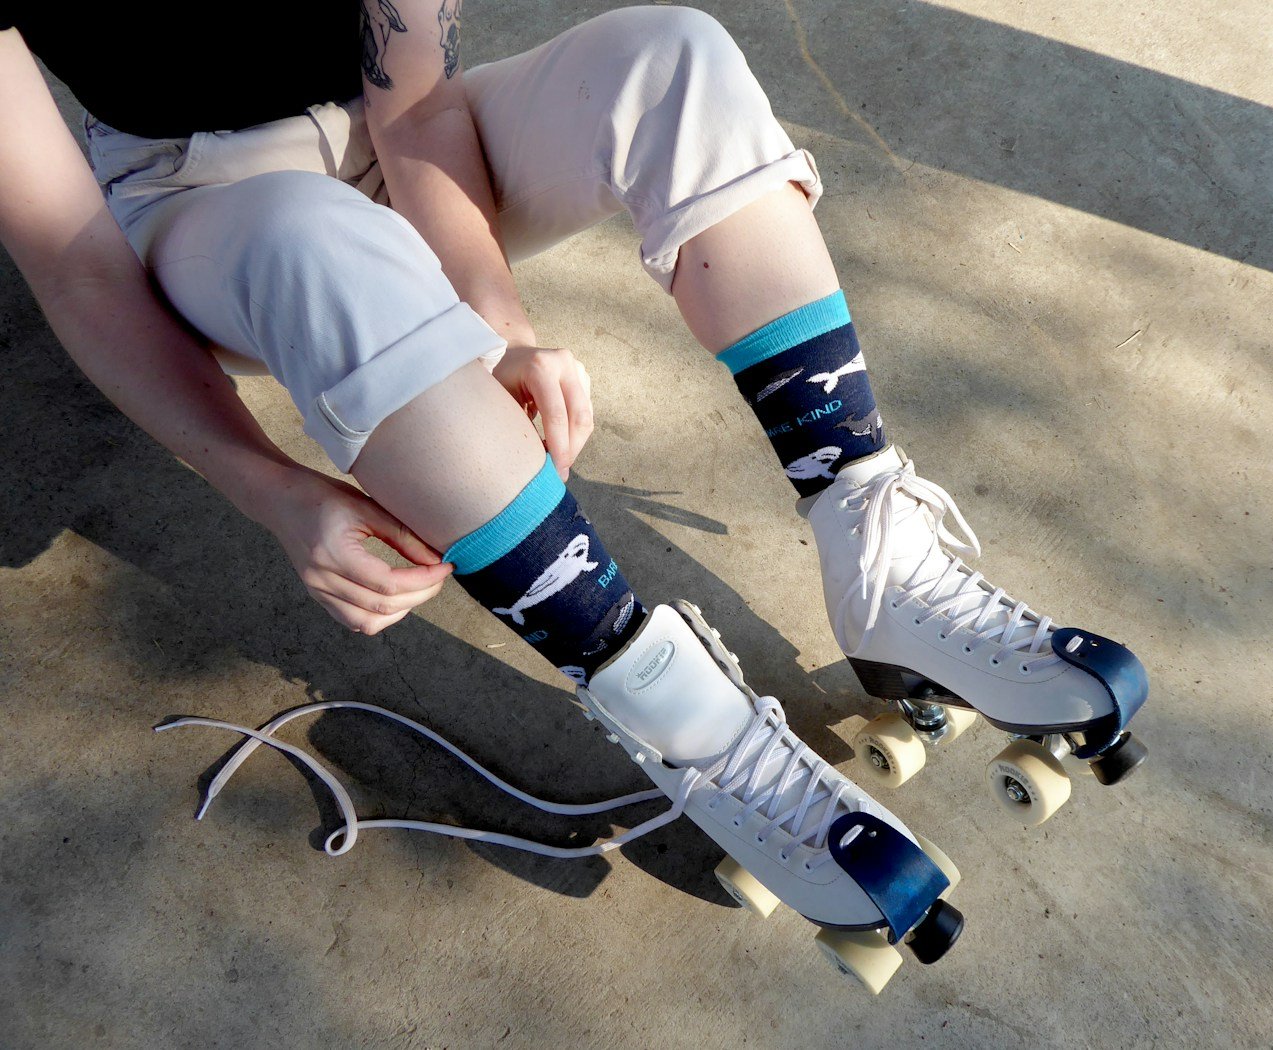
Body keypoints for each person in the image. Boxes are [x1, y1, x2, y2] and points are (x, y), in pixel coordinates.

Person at [0, 3, 1145, 983]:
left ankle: (876, 553)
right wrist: (266, 485)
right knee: (316, 241)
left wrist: (498, 324)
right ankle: (681, 720)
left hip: (380, 137)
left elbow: (413, 108)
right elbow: (70, 257)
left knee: (673, 57)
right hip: (196, 204)